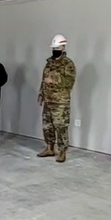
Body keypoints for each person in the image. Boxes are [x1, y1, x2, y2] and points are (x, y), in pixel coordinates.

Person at [37, 34, 77, 163]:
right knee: (47, 126)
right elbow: (44, 80)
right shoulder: (49, 62)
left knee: (61, 127)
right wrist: (41, 94)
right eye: (53, 47)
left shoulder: (68, 64)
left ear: (63, 47)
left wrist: (53, 79)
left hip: (60, 102)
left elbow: (69, 81)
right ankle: (50, 148)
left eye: (57, 47)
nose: (55, 50)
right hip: (48, 101)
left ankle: (62, 151)